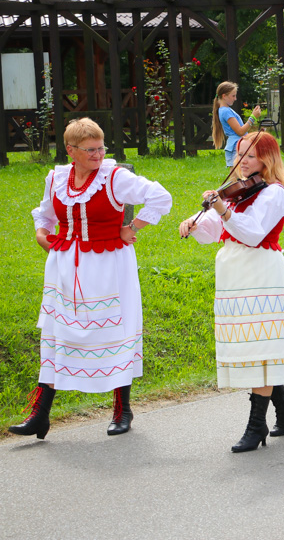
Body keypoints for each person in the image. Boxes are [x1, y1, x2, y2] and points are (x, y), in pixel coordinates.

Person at [10, 117, 172, 440]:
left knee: (114, 334)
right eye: (90, 150)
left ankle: (122, 410)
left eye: (100, 148)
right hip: (65, 268)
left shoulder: (115, 177)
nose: (98, 155)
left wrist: (133, 227)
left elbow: (160, 196)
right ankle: (40, 414)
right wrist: (42, 234)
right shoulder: (56, 178)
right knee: (56, 335)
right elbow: (44, 214)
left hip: (109, 267)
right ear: (71, 151)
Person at [179, 132, 284, 452]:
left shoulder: (275, 194)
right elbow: (216, 231)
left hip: (262, 274)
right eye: (240, 155)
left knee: (262, 351)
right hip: (234, 273)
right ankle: (283, 402)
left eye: (251, 157)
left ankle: (255, 424)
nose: (242, 162)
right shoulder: (237, 194)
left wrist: (223, 209)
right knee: (252, 350)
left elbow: (254, 233)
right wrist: (195, 223)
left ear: (267, 160)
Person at [211, 81, 261, 168]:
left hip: (238, 145)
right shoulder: (226, 111)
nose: (235, 98)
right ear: (224, 96)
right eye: (233, 96)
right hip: (235, 146)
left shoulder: (225, 110)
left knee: (240, 177)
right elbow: (240, 131)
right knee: (236, 178)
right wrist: (253, 117)